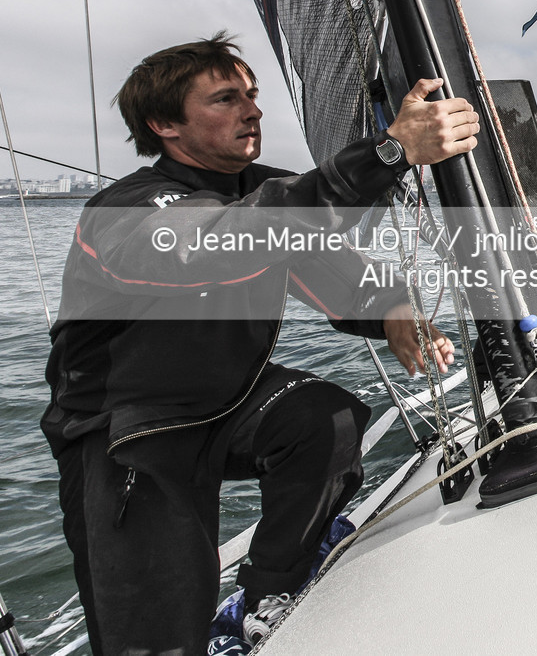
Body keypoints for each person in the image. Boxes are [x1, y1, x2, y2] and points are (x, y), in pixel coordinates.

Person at [42, 33, 480, 655]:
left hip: (225, 402)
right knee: (157, 639)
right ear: (164, 124)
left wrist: (389, 309)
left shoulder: (263, 189)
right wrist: (389, 151)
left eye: (252, 94)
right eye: (226, 99)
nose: (253, 110)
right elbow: (220, 242)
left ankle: (269, 592)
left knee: (324, 419)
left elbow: (321, 261)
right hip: (129, 431)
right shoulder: (126, 208)